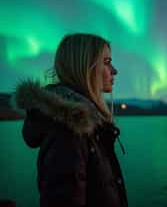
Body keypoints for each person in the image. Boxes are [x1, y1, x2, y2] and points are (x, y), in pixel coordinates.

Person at [14, 33, 128, 207]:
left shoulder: (83, 122)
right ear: (85, 67)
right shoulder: (71, 128)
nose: (115, 71)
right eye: (106, 62)